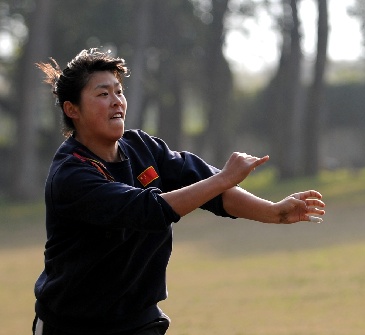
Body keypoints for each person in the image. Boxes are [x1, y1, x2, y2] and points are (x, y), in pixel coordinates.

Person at [32, 48, 326, 335]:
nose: (116, 101)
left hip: (139, 321)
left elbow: (211, 189)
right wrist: (224, 178)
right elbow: (146, 210)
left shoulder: (143, 147)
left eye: (119, 91)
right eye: (102, 94)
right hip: (72, 326)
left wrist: (273, 212)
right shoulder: (71, 174)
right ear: (72, 110)